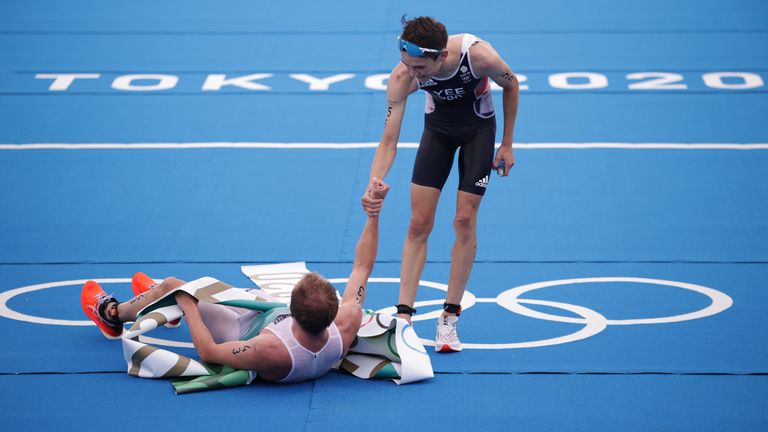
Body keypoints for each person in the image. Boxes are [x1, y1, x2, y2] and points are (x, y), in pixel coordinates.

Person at [81, 178, 390, 383]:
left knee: (176, 286)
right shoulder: (346, 322)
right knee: (214, 291)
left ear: (294, 311)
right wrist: (373, 214)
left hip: (247, 327)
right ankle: (155, 298)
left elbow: (208, 352)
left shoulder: (268, 349)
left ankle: (111, 314)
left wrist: (187, 305)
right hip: (270, 319)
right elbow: (362, 268)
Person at [361, 16, 520, 352]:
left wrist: (506, 143)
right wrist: (375, 182)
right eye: (409, 65)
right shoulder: (402, 76)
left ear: (441, 56)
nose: (413, 74)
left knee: (464, 219)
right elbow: (388, 141)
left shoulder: (480, 57)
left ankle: (449, 318)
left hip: (479, 134)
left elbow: (512, 84)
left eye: (420, 67)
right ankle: (403, 319)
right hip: (438, 134)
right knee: (418, 222)